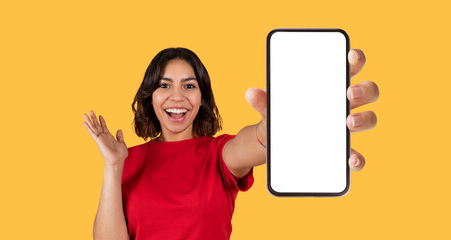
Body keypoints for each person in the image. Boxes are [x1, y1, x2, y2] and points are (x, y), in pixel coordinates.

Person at [83, 47, 379, 240]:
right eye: (164, 85)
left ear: (202, 98)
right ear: (151, 96)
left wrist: (290, 118)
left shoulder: (218, 154)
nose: (177, 97)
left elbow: (259, 138)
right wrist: (113, 165)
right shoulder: (127, 161)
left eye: (189, 85)